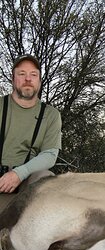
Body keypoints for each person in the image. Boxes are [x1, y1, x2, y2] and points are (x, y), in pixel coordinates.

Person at [0, 54, 61, 212]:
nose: (28, 79)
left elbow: (50, 154)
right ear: (13, 79)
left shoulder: (51, 115)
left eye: (33, 75)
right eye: (22, 74)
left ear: (39, 81)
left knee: (47, 179)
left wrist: (19, 174)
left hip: (28, 182)